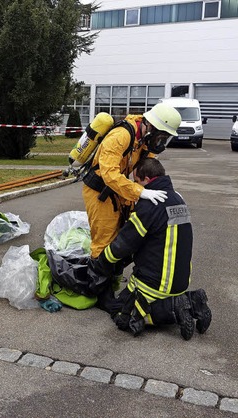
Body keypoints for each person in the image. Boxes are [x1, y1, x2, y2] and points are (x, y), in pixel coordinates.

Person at [94, 158, 212, 339]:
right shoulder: (178, 198)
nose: (136, 187)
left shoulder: (149, 204)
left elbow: (124, 243)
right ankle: (193, 301)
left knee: (121, 313)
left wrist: (103, 261)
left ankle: (174, 308)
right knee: (138, 304)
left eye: (137, 182)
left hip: (154, 285)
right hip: (180, 282)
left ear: (147, 179)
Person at [82, 102, 181, 300]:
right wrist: (140, 192)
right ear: (151, 126)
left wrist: (164, 190)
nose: (161, 143)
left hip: (119, 191)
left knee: (121, 238)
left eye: (165, 138)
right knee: (103, 241)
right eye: (161, 136)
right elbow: (109, 173)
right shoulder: (121, 136)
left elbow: (149, 169)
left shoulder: (144, 140)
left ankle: (112, 280)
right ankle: (99, 293)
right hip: (99, 191)